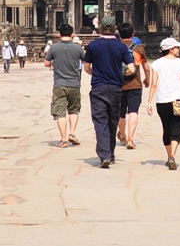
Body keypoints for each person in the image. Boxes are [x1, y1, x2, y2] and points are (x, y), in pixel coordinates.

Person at [82, 15, 135, 169]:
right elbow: (131, 69)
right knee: (112, 122)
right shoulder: (121, 47)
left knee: (100, 121)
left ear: (101, 28)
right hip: (115, 89)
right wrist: (119, 75)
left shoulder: (93, 46)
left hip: (99, 88)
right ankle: (110, 154)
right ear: (114, 29)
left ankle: (104, 154)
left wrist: (96, 74)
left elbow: (86, 67)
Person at [147, 37, 180, 170]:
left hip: (162, 101)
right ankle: (173, 156)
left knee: (166, 127)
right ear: (170, 49)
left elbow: (154, 84)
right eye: (177, 48)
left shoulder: (157, 63)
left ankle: (169, 155)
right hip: (177, 100)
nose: (179, 50)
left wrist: (149, 102)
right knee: (177, 126)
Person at [45, 23, 84, 147]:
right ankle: (72, 133)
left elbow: (46, 63)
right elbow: (86, 61)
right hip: (74, 83)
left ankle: (64, 140)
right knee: (74, 110)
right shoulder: (78, 48)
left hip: (59, 83)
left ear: (59, 34)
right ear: (72, 35)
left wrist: (54, 64)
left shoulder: (54, 48)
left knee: (60, 112)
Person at [117, 22, 148, 150]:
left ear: (119, 36)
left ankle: (122, 136)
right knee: (133, 112)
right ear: (133, 34)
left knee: (121, 113)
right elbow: (146, 66)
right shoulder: (139, 48)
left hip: (119, 85)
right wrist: (147, 79)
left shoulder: (116, 47)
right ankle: (131, 139)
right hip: (135, 84)